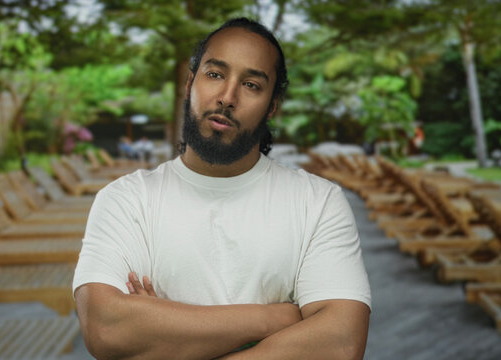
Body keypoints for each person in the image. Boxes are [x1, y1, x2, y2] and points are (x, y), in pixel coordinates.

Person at [74, 17, 371, 359]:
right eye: (215, 74)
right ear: (190, 83)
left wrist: (164, 332)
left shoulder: (317, 202)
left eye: (251, 85)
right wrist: (276, 318)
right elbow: (106, 328)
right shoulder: (126, 200)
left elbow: (340, 344)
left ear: (272, 105)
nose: (227, 97)